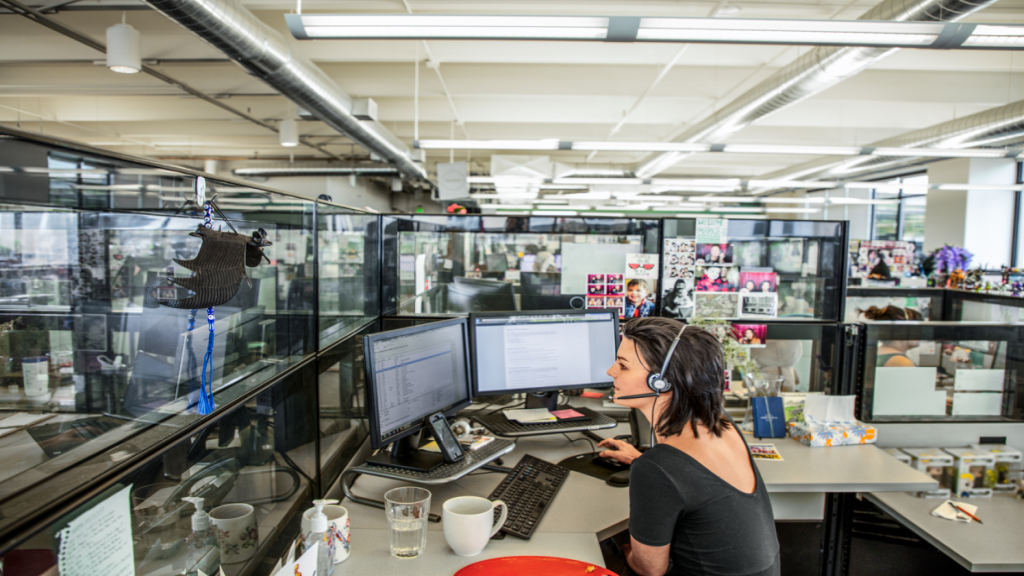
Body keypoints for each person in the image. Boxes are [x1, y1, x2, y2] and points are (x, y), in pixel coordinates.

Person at [598, 319, 779, 576]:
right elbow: (694, 478)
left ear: (661, 382)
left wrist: (624, 552)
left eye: (623, 365)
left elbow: (650, 569)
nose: (610, 371)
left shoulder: (657, 469)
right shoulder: (721, 423)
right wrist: (643, 459)